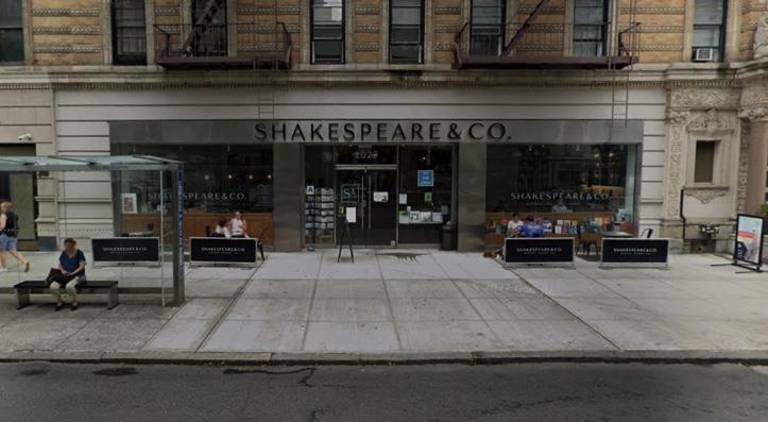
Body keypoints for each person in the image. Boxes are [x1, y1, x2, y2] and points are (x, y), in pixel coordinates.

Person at [49, 238, 87, 311]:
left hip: (77, 275)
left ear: (74, 245)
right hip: (65, 276)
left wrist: (73, 273)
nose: (67, 247)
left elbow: (82, 266)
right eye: (66, 245)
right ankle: (60, 301)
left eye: (69, 245)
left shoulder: (79, 253)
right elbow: (60, 264)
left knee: (69, 287)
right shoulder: (64, 253)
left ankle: (75, 301)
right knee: (52, 287)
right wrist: (63, 271)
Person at [0, 201, 30, 273]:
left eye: (1, 207)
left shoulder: (3, 215)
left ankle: (3, 267)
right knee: (13, 250)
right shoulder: (13, 215)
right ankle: (25, 261)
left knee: (2, 252)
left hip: (4, 235)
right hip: (13, 235)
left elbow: (2, 226)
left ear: (4, 208)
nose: (0, 208)